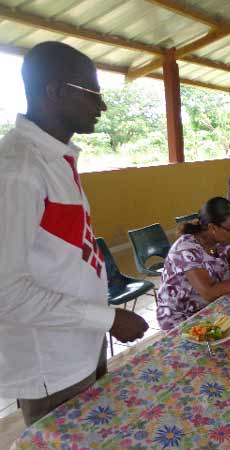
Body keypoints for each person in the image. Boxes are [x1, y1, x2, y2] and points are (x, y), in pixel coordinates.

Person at [0, 42, 148, 426]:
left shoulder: (57, 159)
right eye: (93, 93)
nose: (102, 106)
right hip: (51, 364)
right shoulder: (17, 169)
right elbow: (6, 293)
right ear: (56, 91)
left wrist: (100, 321)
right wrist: (108, 318)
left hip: (82, 342)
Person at [157, 197, 230, 330]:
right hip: (183, 318)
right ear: (212, 227)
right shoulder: (186, 250)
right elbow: (209, 292)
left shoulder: (219, 241)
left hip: (212, 307)